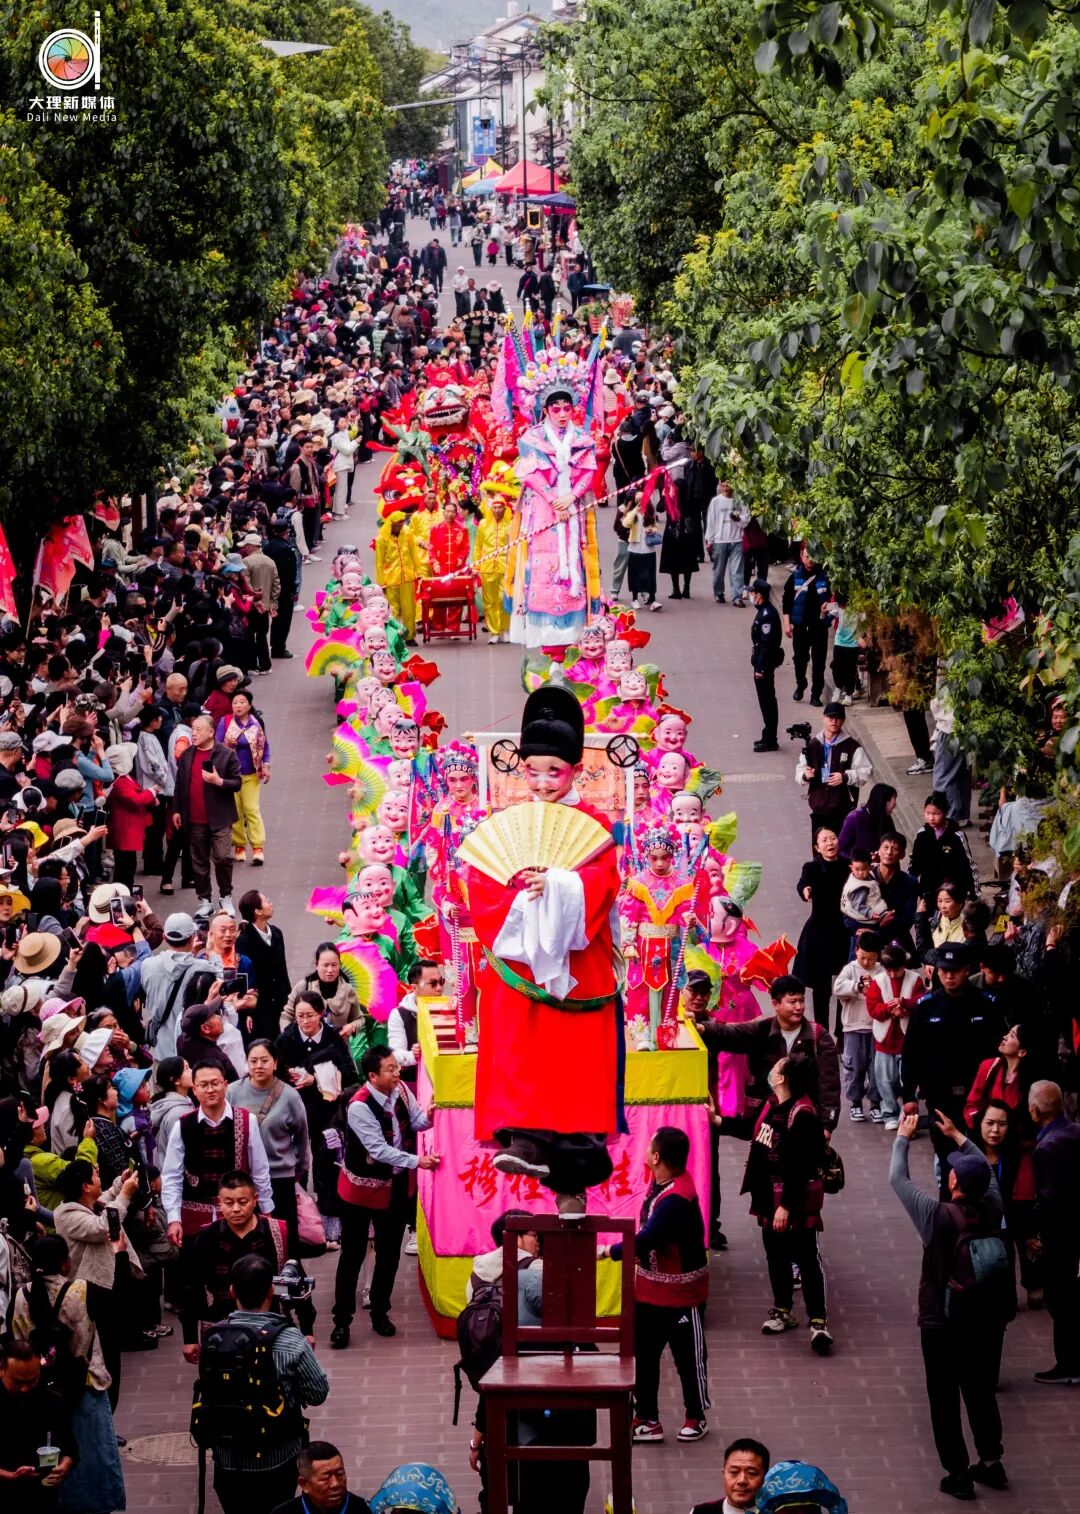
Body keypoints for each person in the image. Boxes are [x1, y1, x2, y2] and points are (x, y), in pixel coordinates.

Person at [464, 687, 622, 1193]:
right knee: (520, 1048)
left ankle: (576, 1159)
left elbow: (604, 884)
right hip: (519, 962)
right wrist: (520, 893)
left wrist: (554, 885)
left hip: (579, 957)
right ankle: (524, 1139)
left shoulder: (595, 826)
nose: (542, 782)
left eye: (554, 771)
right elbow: (482, 883)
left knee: (575, 1056)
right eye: (533, 771)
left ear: (575, 769)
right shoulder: (505, 825)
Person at [891, 1109, 1013, 1500]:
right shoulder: (994, 1206)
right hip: (985, 1321)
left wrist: (902, 1137)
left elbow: (898, 1179)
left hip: (942, 1322)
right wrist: (959, 1135)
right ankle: (991, 1461)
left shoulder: (936, 1215)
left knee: (943, 1398)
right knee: (980, 1391)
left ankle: (958, 1474)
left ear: (955, 1180)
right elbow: (987, 1172)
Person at [601, 1126, 709, 1446]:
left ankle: (696, 1416)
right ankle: (647, 1418)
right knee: (644, 1356)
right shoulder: (661, 1184)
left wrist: (608, 1252)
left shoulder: (677, 1198)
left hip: (681, 1295)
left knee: (688, 1359)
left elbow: (648, 1237)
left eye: (650, 1147)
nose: (646, 1152)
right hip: (649, 1290)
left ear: (657, 1157)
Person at [201, 1254, 329, 1514]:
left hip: (227, 1459)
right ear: (272, 1290)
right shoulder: (289, 1339)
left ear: (232, 1291)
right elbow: (318, 1393)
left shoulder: (214, 1337)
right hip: (278, 1458)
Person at [11, 1234, 126, 1513]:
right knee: (94, 1457)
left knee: (50, 1454)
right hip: (85, 1385)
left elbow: (15, 1339)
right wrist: (119, 1255)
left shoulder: (21, 1295)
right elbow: (122, 1304)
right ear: (66, 1263)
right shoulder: (83, 1290)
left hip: (40, 1390)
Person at [330, 1046, 436, 1347]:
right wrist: (418, 1161)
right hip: (361, 1189)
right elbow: (378, 1150)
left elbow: (415, 1121)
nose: (397, 1072)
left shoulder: (400, 1090)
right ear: (373, 1076)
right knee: (352, 1255)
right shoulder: (359, 1106)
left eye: (396, 1067)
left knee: (389, 1254)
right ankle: (342, 1321)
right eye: (390, 1069)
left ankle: (380, 1311)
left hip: (395, 1187)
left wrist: (429, 1116)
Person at [502, 359, 601, 647]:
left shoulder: (581, 438)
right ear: (544, 410)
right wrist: (554, 499)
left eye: (567, 408)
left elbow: (588, 471)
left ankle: (573, 635)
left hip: (573, 507)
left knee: (575, 558)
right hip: (544, 509)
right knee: (542, 560)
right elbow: (531, 473)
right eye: (555, 409)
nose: (562, 414)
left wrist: (572, 496)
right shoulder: (531, 438)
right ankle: (543, 636)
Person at [742, 1053, 833, 1353]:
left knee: (807, 1258)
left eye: (776, 1068)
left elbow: (800, 1167)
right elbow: (749, 1128)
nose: (771, 1070)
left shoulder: (803, 1115)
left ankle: (818, 1322)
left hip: (793, 1201)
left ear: (781, 1078)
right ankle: (783, 1310)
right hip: (768, 1196)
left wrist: (787, 1206)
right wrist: (717, 1120)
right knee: (776, 1255)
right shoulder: (772, 1104)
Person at [901, 944, 1008, 1199]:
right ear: (937, 972)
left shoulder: (986, 1005)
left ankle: (986, 1212)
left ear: (967, 970)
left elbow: (1000, 1051)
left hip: (980, 1096)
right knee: (947, 1160)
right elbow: (911, 1052)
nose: (949, 976)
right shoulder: (926, 1007)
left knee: (982, 1158)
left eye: (955, 971)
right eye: (944, 971)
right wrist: (908, 1096)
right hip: (941, 1097)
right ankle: (949, 1214)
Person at [179, 1170, 314, 1357]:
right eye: (229, 1203)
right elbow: (191, 1287)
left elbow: (297, 1279)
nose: (236, 1209)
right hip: (221, 1329)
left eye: (242, 1202)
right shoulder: (207, 1236)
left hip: (272, 1325)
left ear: (255, 1199)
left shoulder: (278, 1232)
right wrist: (190, 1338)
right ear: (219, 1202)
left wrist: (307, 1330)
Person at [695, 975, 841, 1135]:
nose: (799, 1007)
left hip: (804, 1121)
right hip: (768, 1122)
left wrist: (827, 1126)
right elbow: (731, 1032)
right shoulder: (763, 1030)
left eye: (801, 1001)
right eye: (792, 1002)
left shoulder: (818, 1037)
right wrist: (703, 1028)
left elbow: (830, 1087)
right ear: (775, 1004)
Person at [53, 1157, 141, 1412]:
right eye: (95, 1175)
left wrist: (120, 1184)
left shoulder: (85, 1205)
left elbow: (105, 1199)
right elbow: (105, 1225)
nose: (98, 1177)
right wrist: (125, 1194)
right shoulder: (68, 1215)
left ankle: (107, 1416)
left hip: (103, 1291)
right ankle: (103, 1416)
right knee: (104, 1358)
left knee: (112, 1353)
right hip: (88, 1298)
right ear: (85, 1186)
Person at [161, 1060, 274, 1245]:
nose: (210, 1090)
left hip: (239, 1216)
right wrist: (174, 1219)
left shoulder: (247, 1121)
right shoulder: (183, 1125)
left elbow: (260, 1170)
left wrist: (266, 1209)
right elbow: (172, 1176)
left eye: (215, 1083)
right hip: (194, 1219)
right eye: (203, 1085)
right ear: (194, 1089)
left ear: (225, 1085)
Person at [227, 1040, 309, 1256]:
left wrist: (299, 1169)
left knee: (284, 1238)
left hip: (279, 1176)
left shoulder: (289, 1095)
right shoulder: (233, 1092)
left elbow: (301, 1137)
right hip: (244, 1177)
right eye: (253, 1061)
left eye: (264, 1061)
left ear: (275, 1063)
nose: (258, 1066)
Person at [1028, 1080, 1080, 1385]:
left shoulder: (1046, 1147)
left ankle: (1069, 1364)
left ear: (1035, 1111)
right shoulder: (1075, 1132)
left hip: (1061, 1237)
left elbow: (1047, 1199)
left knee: (1061, 1300)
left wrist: (1037, 1235)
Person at [171, 713, 243, 919]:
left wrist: (218, 781)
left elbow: (237, 783)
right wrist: (177, 809)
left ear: (211, 732)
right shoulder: (187, 755)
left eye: (199, 730)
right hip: (194, 819)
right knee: (199, 862)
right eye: (193, 729)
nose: (194, 733)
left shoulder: (226, 754)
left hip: (220, 818)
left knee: (223, 858)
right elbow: (180, 784)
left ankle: (226, 897)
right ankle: (204, 900)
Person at [0, 1339, 76, 1512]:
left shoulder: (51, 1401)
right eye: (17, 1382)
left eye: (31, 1380)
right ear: (2, 1370)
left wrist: (64, 1466)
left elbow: (71, 1448)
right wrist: (10, 1476)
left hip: (43, 1498)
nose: (25, 1388)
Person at [793, 827, 850, 1032]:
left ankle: (842, 1032)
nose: (830, 843)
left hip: (844, 931)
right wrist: (805, 890)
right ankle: (821, 1031)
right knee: (821, 987)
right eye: (824, 840)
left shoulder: (848, 865)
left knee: (845, 983)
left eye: (832, 838)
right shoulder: (812, 867)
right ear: (817, 847)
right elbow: (803, 883)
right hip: (819, 932)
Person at [795, 703, 871, 844]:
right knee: (820, 849)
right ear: (823, 718)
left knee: (842, 849)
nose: (834, 721)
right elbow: (800, 771)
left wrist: (845, 777)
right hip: (819, 809)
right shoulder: (812, 745)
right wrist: (806, 776)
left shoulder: (852, 746)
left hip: (843, 809)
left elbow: (865, 773)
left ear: (843, 720)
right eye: (831, 718)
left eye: (838, 718)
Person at [831, 930, 883, 1122]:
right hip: (853, 1028)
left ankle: (876, 1103)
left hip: (876, 1029)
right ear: (856, 951)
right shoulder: (850, 969)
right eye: (863, 958)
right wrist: (857, 987)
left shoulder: (881, 971)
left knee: (876, 1069)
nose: (866, 962)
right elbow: (838, 988)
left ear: (878, 955)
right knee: (854, 1067)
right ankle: (856, 1103)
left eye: (871, 958)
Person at [217, 688, 270, 866]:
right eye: (235, 702)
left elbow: (265, 746)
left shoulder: (256, 723)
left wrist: (266, 765)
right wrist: (227, 745)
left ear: (249, 705)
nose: (238, 705)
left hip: (251, 774)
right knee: (236, 811)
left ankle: (257, 847)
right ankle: (239, 845)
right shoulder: (225, 722)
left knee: (251, 809)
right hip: (231, 775)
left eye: (242, 702)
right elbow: (216, 745)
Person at [142, 910, 205, 1059]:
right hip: (191, 1052)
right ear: (192, 938)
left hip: (161, 1052)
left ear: (165, 937)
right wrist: (212, 951)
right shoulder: (203, 967)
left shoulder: (147, 965)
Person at [781, 543, 831, 706]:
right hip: (801, 626)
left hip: (819, 626)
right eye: (806, 556)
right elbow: (786, 601)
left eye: (812, 556)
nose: (810, 560)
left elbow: (834, 601)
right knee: (800, 659)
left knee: (819, 662)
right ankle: (801, 684)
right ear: (801, 557)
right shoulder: (795, 577)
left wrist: (828, 608)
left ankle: (816, 694)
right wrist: (787, 623)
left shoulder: (825, 577)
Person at [237, 889, 290, 1040]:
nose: (271, 903)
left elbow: (283, 970)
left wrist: (289, 997)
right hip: (260, 1007)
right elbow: (245, 979)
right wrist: (248, 1012)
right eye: (267, 901)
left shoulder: (276, 933)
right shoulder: (244, 941)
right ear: (258, 911)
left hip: (281, 1003)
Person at [909, 791, 978, 908]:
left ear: (945, 812)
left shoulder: (956, 835)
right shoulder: (922, 835)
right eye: (928, 813)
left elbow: (968, 866)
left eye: (936, 814)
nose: (931, 818)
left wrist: (974, 894)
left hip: (951, 893)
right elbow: (914, 864)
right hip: (928, 892)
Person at [269, 1440, 371, 1514]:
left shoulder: (365, 1510)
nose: (335, 1484)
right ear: (304, 1484)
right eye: (325, 1478)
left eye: (340, 1474)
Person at [690, 1437, 771, 1514]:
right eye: (734, 1472)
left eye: (751, 1473)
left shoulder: (775, 1511)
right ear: (724, 1473)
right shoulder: (700, 1512)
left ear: (765, 1477)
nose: (742, 1480)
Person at [375, 512, 420, 645]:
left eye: (402, 522)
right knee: (392, 610)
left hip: (407, 577)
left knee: (409, 608)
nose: (401, 525)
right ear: (392, 523)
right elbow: (379, 562)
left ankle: (409, 636)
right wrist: (381, 582)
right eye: (398, 523)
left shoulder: (407, 533)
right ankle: (393, 637)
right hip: (390, 579)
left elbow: (414, 553)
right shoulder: (382, 538)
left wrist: (418, 572)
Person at [749, 578, 782, 752]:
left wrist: (761, 669)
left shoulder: (767, 615)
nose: (751, 596)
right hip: (762, 662)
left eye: (753, 593)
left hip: (765, 665)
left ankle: (770, 738)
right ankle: (767, 734)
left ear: (759, 595)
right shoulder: (763, 611)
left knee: (767, 701)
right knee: (765, 701)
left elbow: (766, 645)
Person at [703, 481, 746, 606]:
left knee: (737, 570)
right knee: (719, 570)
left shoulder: (740, 500)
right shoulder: (716, 501)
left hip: (736, 540)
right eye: (724, 485)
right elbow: (711, 521)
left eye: (729, 485)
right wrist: (710, 540)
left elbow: (745, 519)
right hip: (720, 540)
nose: (726, 488)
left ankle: (737, 596)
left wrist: (738, 519)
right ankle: (718, 592)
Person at [836, 782, 898, 860]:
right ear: (885, 802)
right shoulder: (855, 818)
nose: (895, 804)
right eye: (893, 801)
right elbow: (841, 848)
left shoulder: (886, 819)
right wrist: (861, 860)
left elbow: (894, 841)